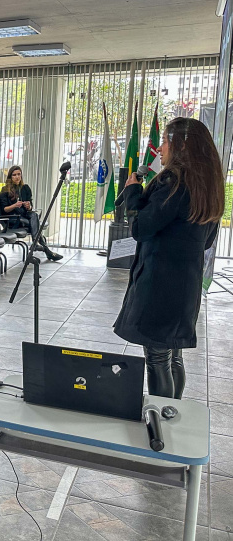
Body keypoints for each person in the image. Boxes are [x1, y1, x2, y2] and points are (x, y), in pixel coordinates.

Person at [114, 117, 224, 400]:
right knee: (173, 356)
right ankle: (175, 417)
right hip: (186, 285)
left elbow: (141, 228)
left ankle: (162, 419)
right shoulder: (208, 186)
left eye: (164, 141)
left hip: (159, 284)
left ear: (181, 145)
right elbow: (207, 240)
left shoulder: (173, 182)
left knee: (158, 359)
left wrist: (133, 191)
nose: (160, 149)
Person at [0, 166, 63, 261]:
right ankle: (45, 250)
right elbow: (4, 210)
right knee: (35, 225)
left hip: (24, 216)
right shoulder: (5, 190)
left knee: (34, 215)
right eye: (14, 175)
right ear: (10, 177)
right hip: (13, 218)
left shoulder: (25, 188)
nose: (17, 177)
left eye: (19, 174)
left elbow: (30, 206)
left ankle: (36, 243)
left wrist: (29, 206)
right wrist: (15, 205)